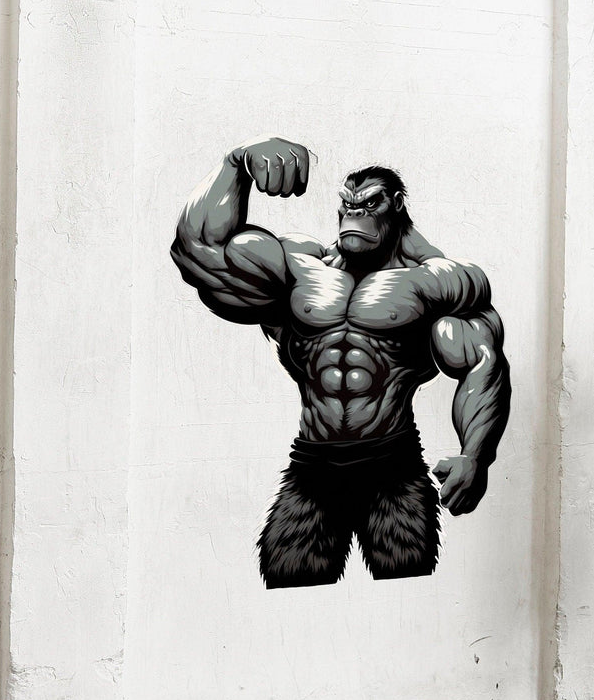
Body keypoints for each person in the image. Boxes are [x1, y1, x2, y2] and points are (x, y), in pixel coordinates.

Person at [172, 137, 511, 588]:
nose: (355, 216)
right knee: (291, 586)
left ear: (394, 207)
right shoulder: (302, 268)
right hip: (313, 465)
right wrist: (237, 164)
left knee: (408, 590)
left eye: (369, 205)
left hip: (393, 465)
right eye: (348, 205)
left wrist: (475, 456)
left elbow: (482, 360)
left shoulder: (435, 281)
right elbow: (199, 248)